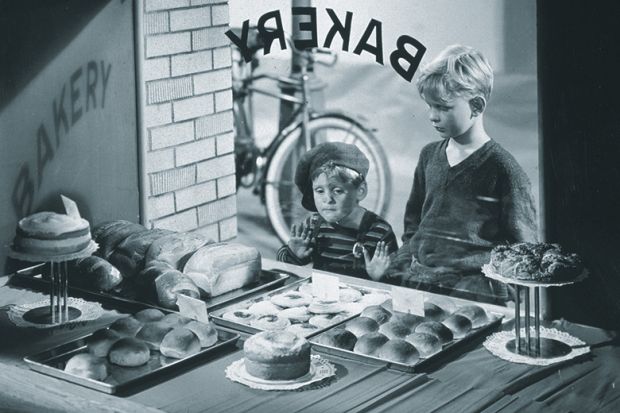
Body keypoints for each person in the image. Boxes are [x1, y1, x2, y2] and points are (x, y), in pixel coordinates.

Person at [388, 45, 538, 302]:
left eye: (443, 107)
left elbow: (525, 250)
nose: (433, 117)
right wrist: (401, 267)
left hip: (474, 292)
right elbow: (414, 225)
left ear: (477, 105)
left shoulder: (503, 169)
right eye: (429, 106)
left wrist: (506, 299)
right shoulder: (428, 156)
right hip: (421, 284)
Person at [277, 142, 398, 281]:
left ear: (360, 190)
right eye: (319, 191)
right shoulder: (314, 224)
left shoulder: (379, 232)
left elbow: (397, 282)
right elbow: (285, 267)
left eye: (338, 190)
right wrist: (294, 255)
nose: (328, 199)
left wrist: (380, 277)